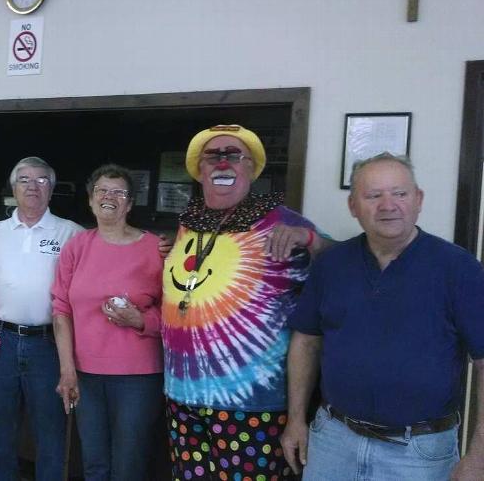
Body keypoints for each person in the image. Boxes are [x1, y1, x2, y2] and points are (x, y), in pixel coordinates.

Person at [282, 153, 484, 480]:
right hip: (332, 441)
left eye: (399, 193)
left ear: (418, 200)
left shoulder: (459, 269)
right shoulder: (331, 265)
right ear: (353, 206)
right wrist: (295, 420)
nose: (388, 205)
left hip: (419, 454)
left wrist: (479, 459)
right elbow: (305, 342)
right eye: (373, 195)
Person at [160, 124, 329, 481]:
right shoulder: (189, 223)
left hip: (251, 404)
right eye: (213, 156)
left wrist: (310, 238)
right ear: (199, 170)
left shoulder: (282, 221)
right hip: (182, 396)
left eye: (234, 156)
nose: (223, 163)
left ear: (251, 169)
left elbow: (346, 260)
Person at [52, 163, 165, 481]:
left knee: (128, 466)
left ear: (130, 204)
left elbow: (177, 313)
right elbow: (61, 309)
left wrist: (140, 320)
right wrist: (67, 370)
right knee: (94, 464)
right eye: (102, 190)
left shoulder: (155, 249)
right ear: (91, 200)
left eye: (119, 192)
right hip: (86, 374)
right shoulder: (77, 246)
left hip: (137, 377)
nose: (109, 197)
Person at [0, 156, 84, 481]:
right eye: (24, 180)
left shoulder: (71, 233)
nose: (32, 186)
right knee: (0, 429)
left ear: (51, 189)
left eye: (41, 180)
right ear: (13, 188)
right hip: (2, 342)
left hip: (48, 345)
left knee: (50, 431)